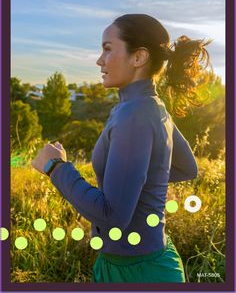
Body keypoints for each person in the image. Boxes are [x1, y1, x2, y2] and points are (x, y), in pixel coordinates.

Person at [32, 14, 211, 283]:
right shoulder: (152, 106)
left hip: (138, 273)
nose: (99, 60)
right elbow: (188, 168)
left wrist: (56, 167)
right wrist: (136, 182)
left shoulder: (134, 114)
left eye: (107, 49)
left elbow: (112, 217)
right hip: (147, 261)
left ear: (138, 57)